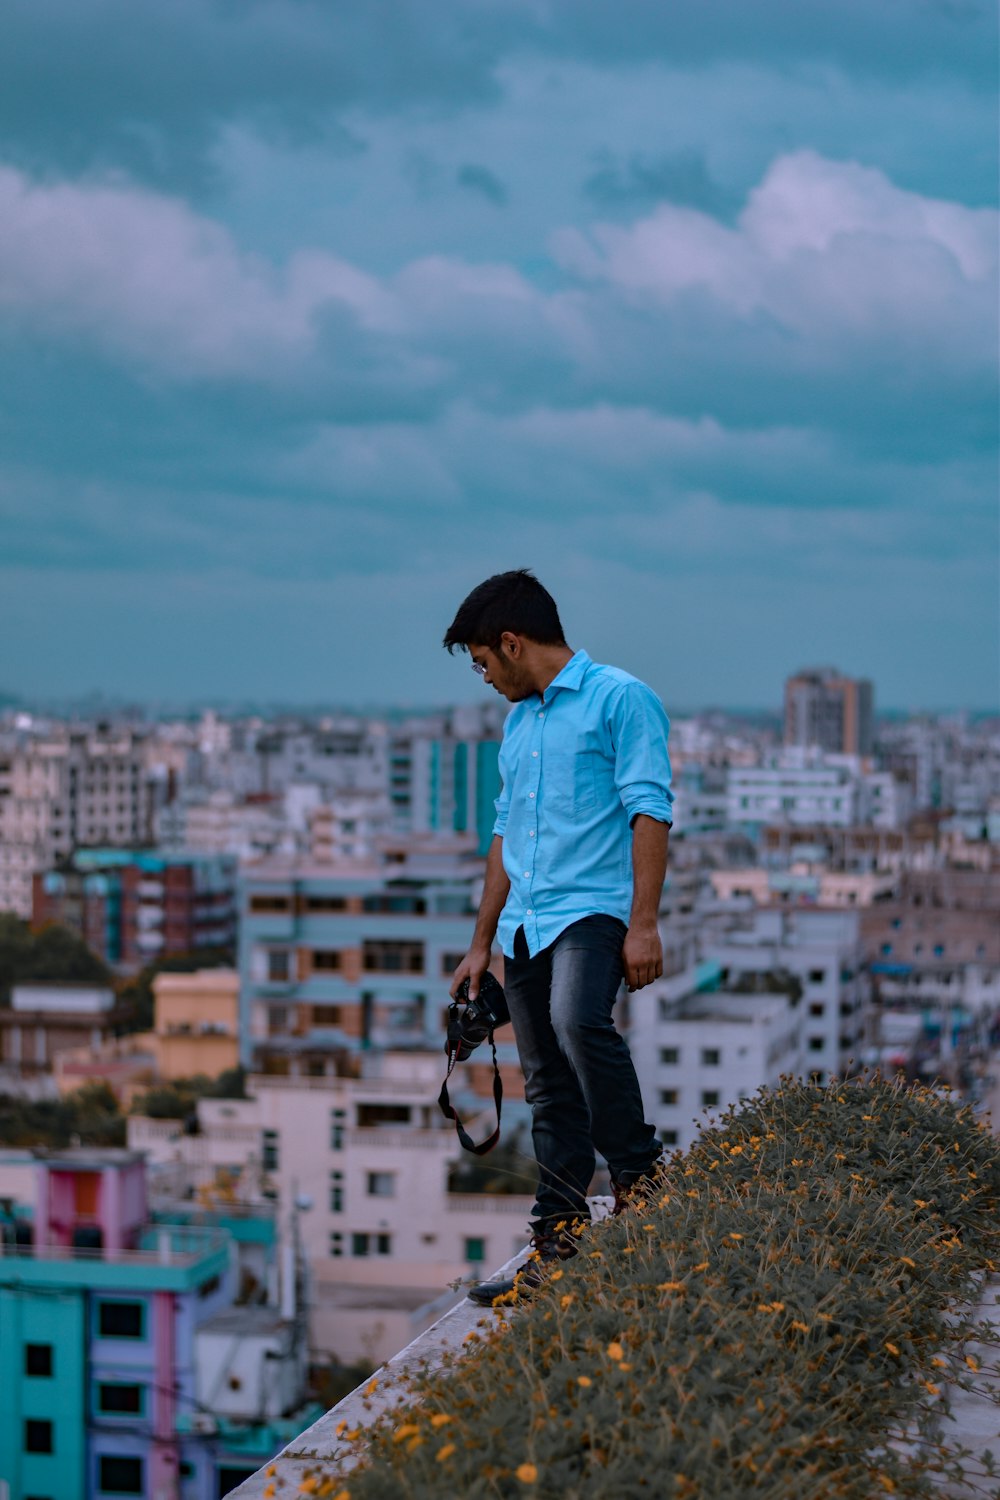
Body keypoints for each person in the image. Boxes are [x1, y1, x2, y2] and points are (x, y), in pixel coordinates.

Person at [443, 569, 673, 1304]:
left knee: (580, 1021)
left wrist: (644, 925)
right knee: (546, 1085)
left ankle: (641, 1179)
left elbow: (650, 811)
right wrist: (481, 944)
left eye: (483, 662)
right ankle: (558, 1241)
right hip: (526, 922)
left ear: (512, 644)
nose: (485, 678)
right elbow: (505, 833)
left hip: (595, 909)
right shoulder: (520, 723)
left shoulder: (621, 699)